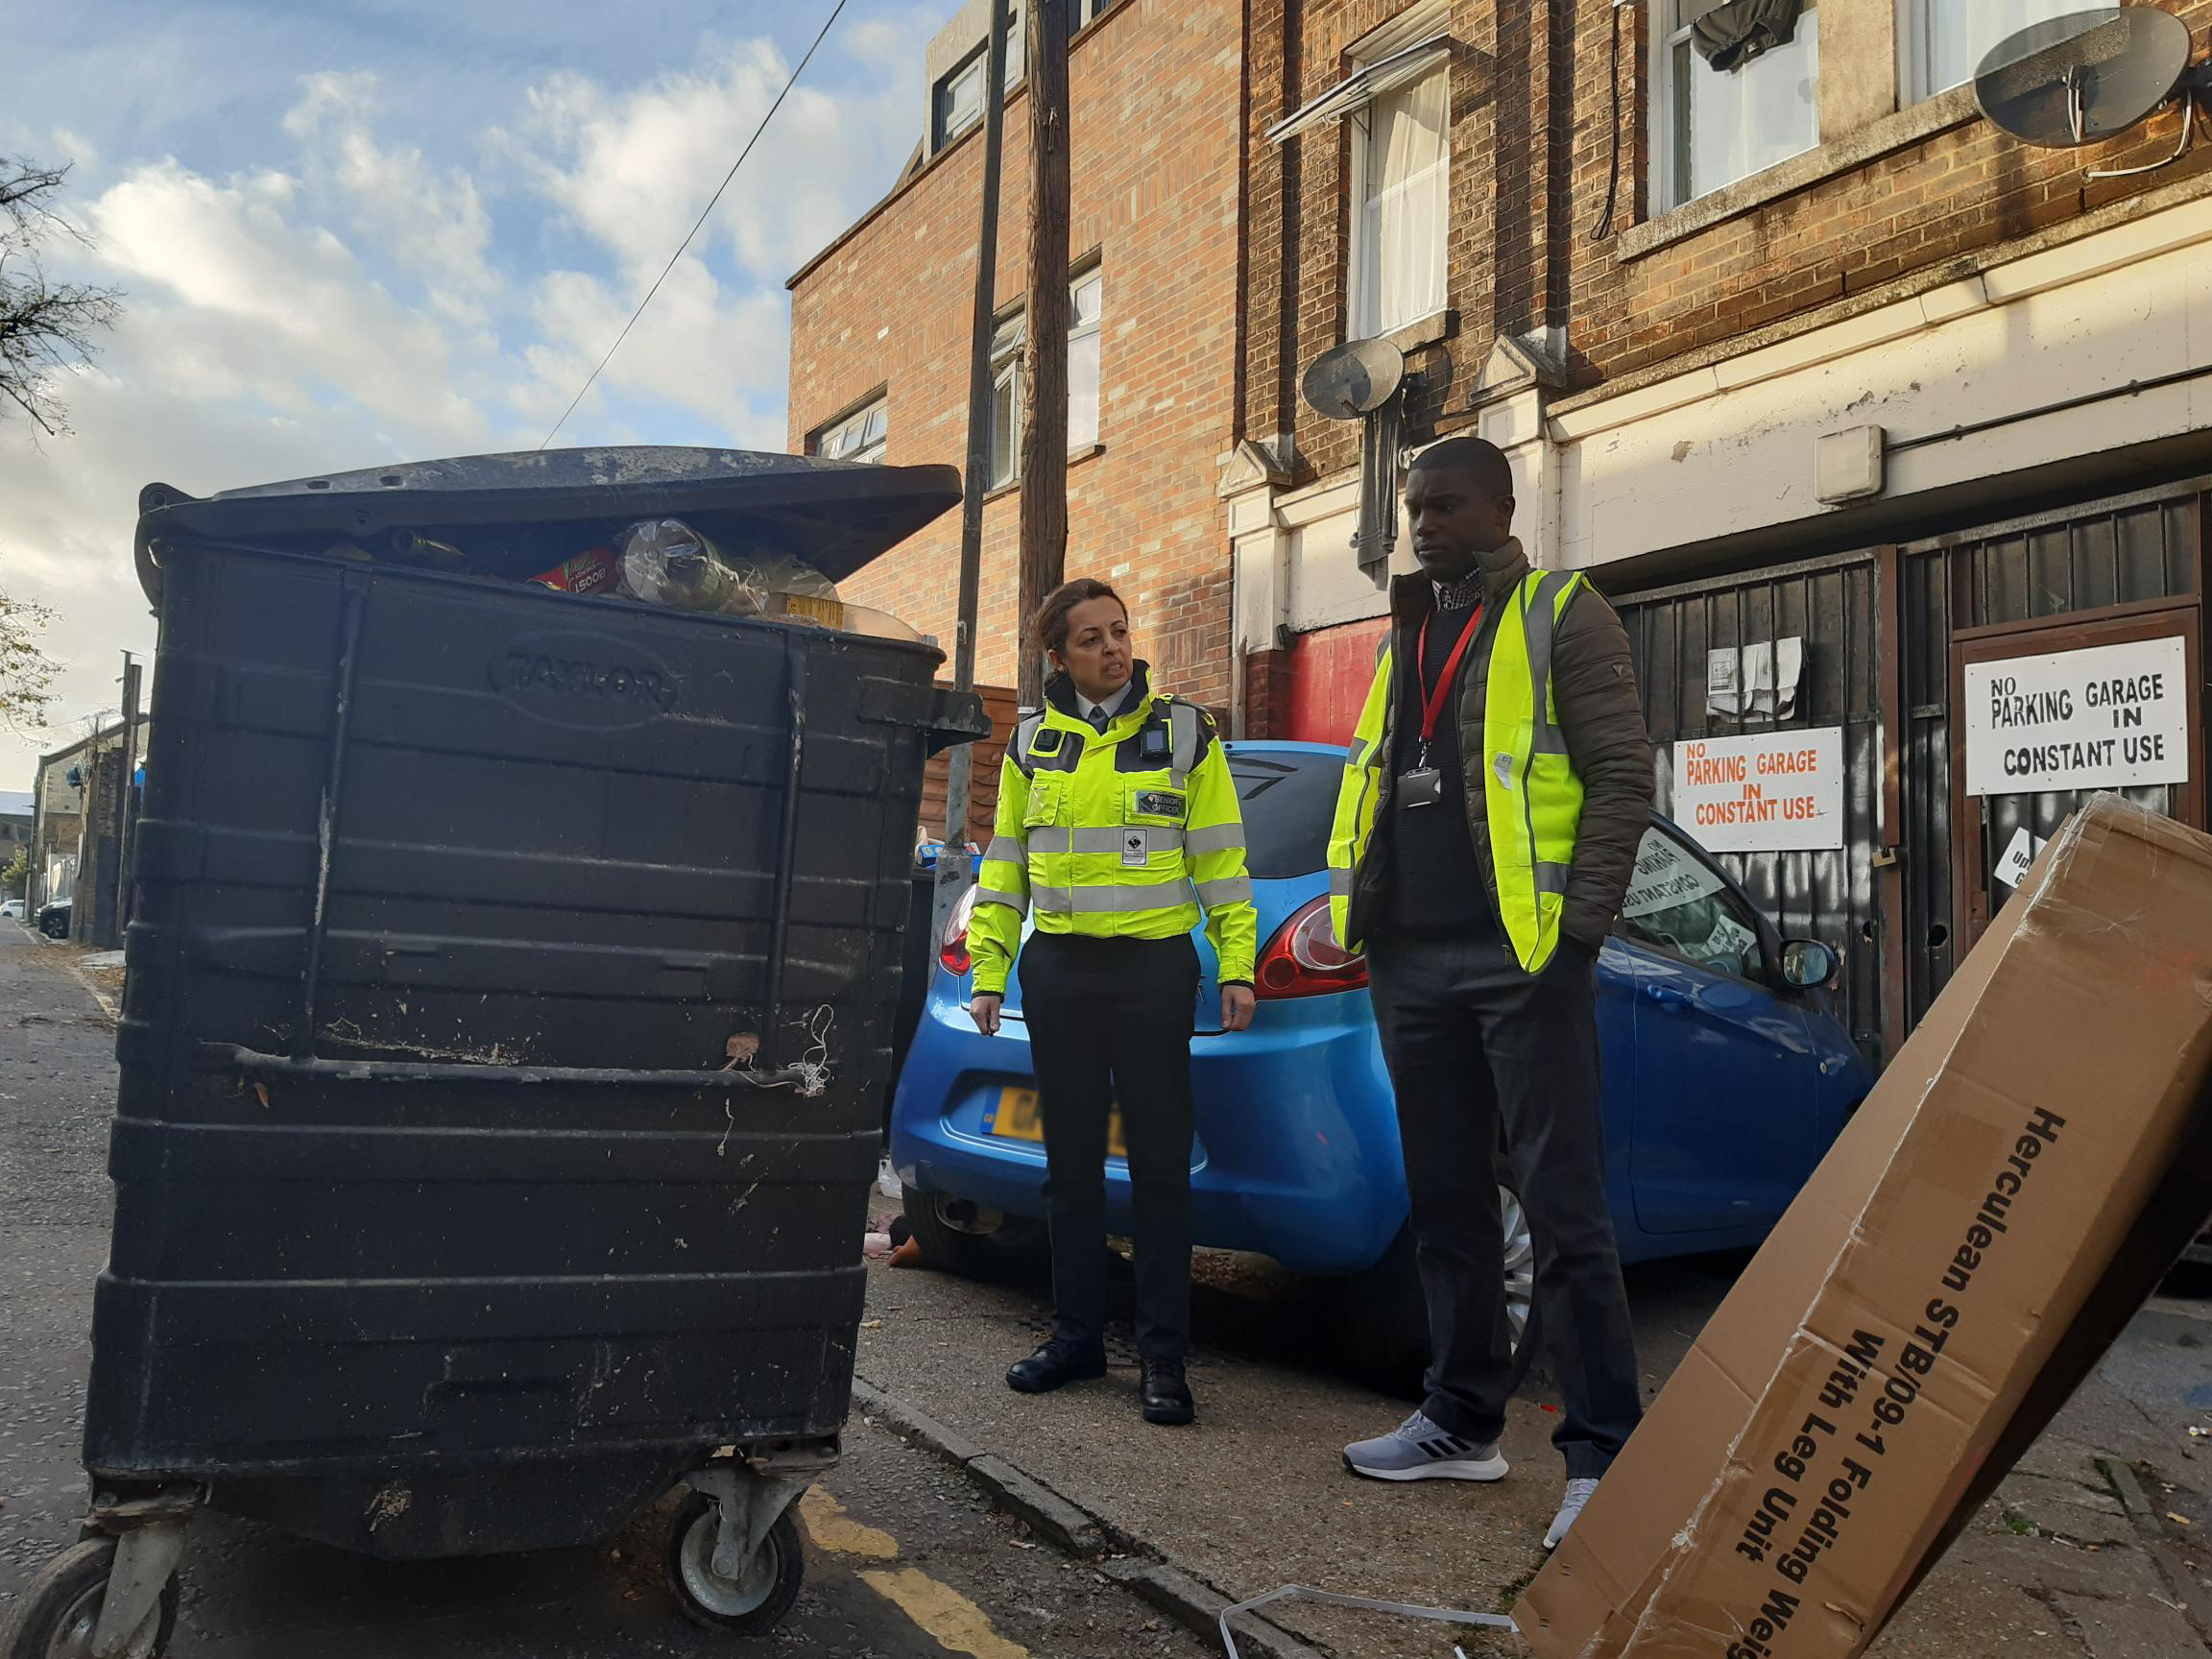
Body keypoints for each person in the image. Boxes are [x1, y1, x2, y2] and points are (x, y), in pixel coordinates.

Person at [1328, 437, 1653, 1548]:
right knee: (1450, 1207)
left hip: (1523, 955)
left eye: (1448, 504)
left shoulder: (1564, 609)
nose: (1424, 522)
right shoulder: (1407, 629)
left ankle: (1605, 1456)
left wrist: (1577, 935)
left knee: (1564, 1212)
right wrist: (1362, 926)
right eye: (1414, 506)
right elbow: (1377, 783)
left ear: (1504, 508)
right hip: (1412, 960)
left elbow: (1621, 778)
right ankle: (1462, 1421)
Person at [967, 579, 1259, 1426]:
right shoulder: (1031, 743)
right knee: (1070, 1173)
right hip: (1058, 972)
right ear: (1057, 656)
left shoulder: (1183, 733)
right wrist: (989, 972)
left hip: (1152, 975)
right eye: (1091, 638)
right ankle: (1077, 1340)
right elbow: (1004, 866)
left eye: (1120, 631)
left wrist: (1235, 965)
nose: (1113, 647)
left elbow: (1223, 864)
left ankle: (1164, 1361)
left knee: (1162, 1173)